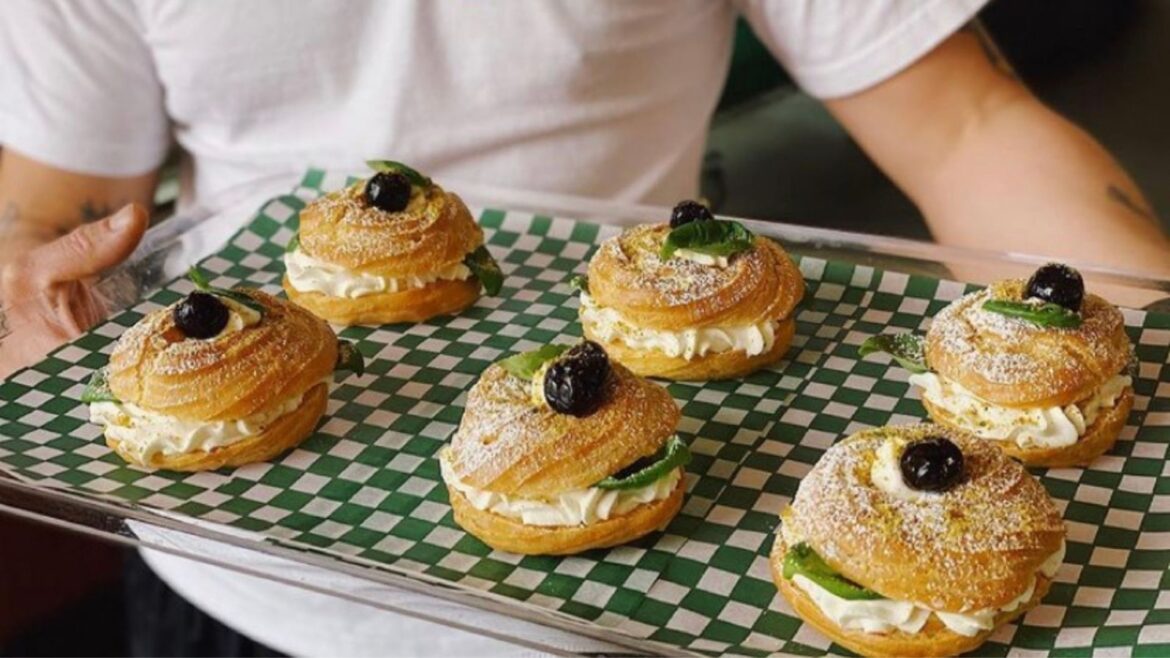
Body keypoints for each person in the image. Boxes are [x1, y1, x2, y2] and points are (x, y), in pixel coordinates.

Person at [0, 1, 1167, 655]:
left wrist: (1141, 330)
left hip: (651, 608)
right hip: (236, 576)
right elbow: (58, 199)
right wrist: (23, 284)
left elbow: (961, 122)